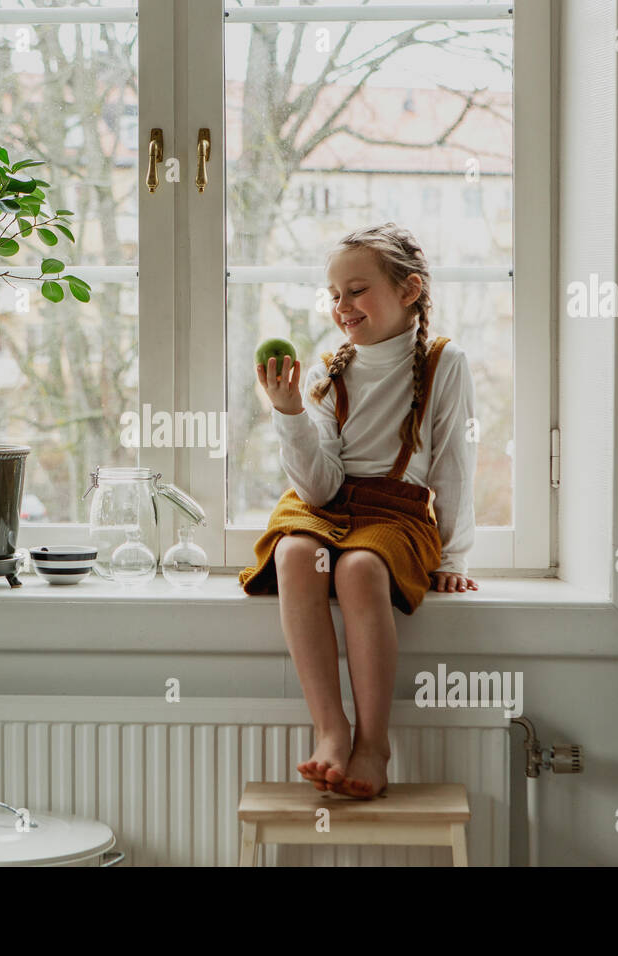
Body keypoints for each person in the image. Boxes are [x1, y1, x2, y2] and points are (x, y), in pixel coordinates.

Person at [239, 223, 479, 799]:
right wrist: (291, 412)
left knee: (360, 568)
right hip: (329, 504)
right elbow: (317, 491)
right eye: (335, 294)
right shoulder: (329, 372)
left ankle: (374, 743)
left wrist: (454, 552)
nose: (342, 306)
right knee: (296, 552)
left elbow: (454, 463)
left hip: (396, 513)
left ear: (409, 290)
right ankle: (330, 729)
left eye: (357, 290)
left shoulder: (444, 363)